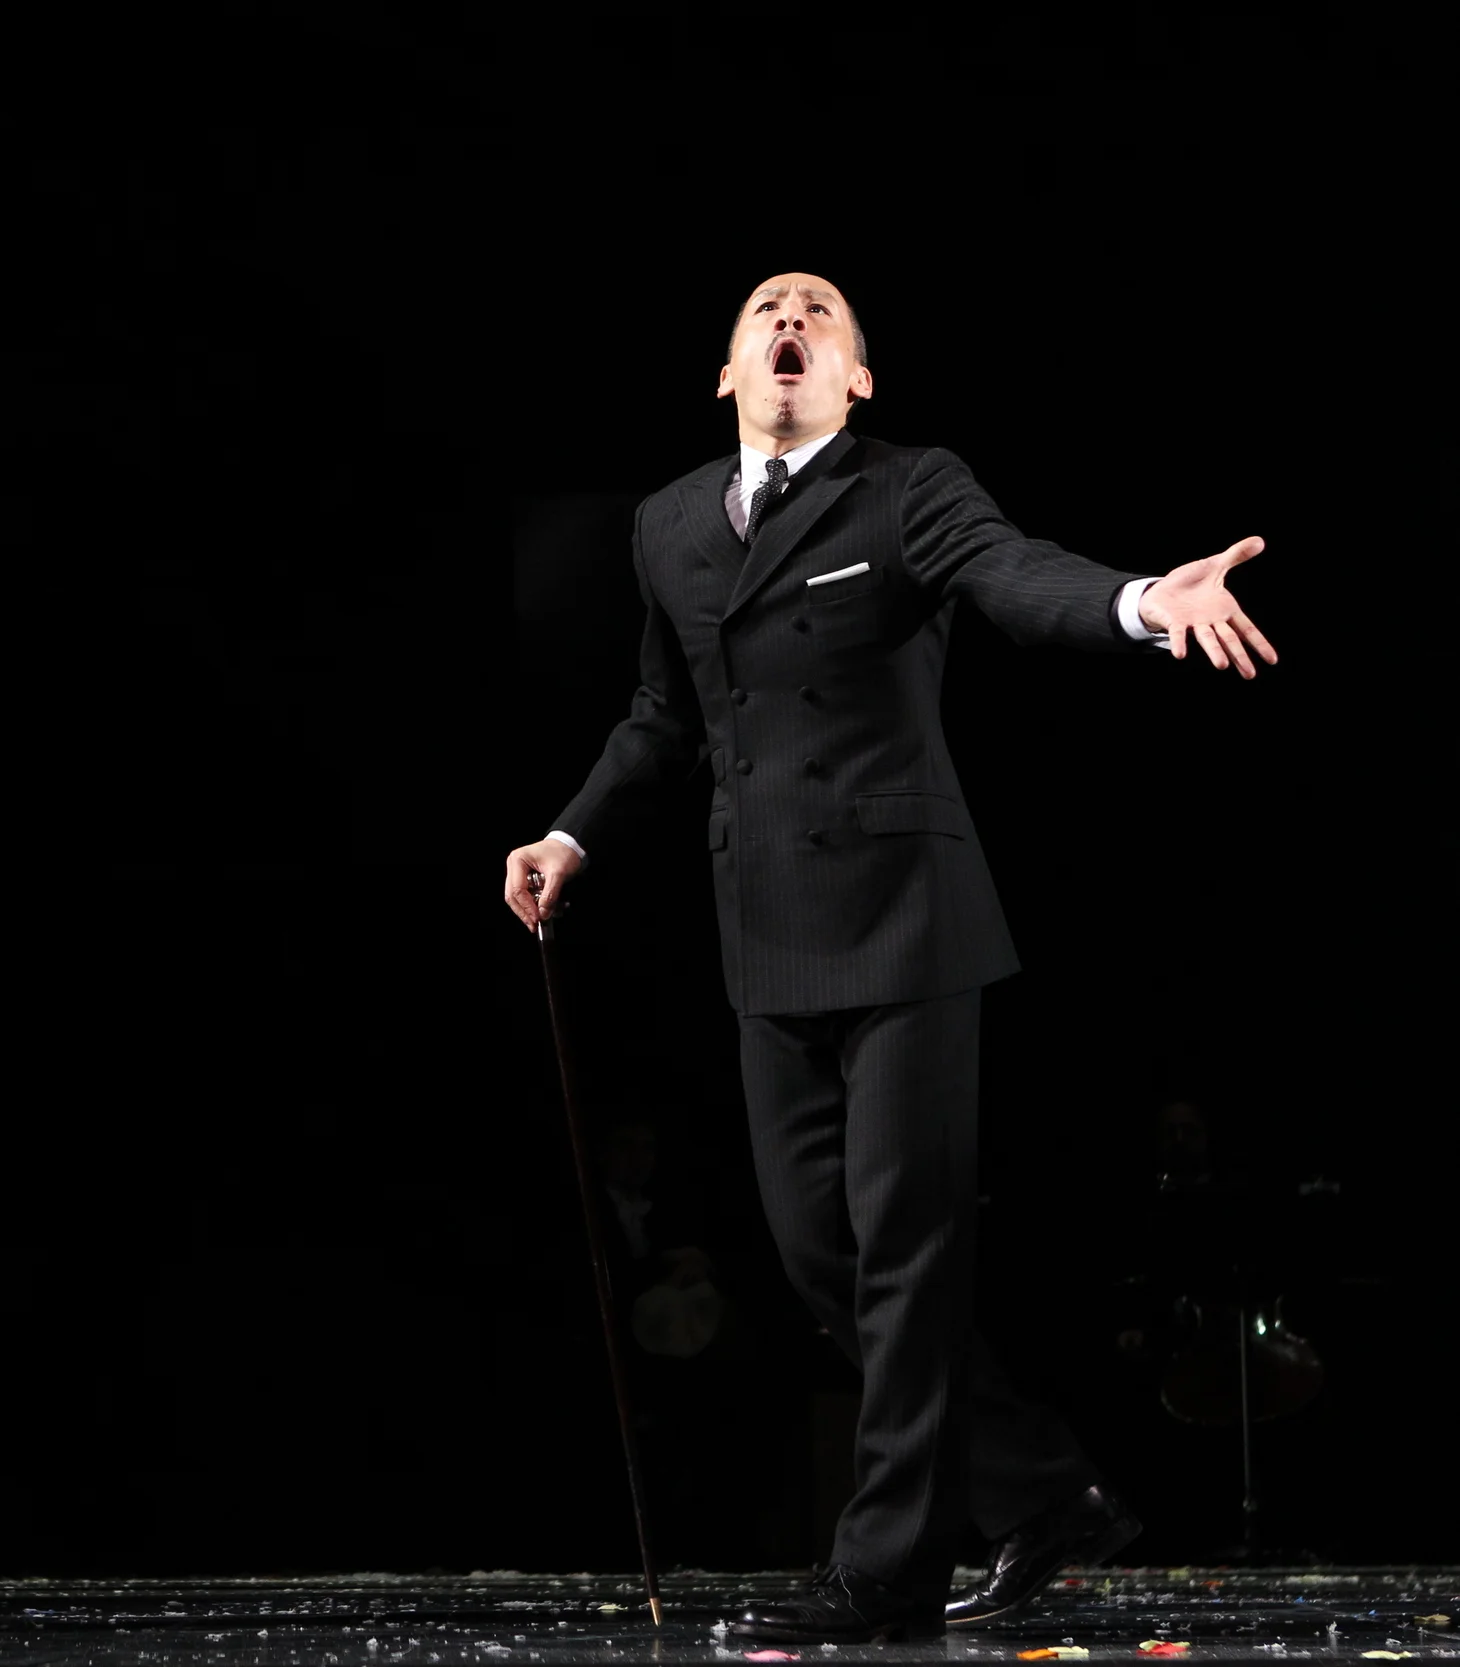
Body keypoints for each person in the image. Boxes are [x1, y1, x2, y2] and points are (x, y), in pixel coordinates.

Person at [501, 273, 1277, 1645]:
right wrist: (573, 833)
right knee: (822, 1261)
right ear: (728, 368)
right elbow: (658, 713)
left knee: (906, 1253)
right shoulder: (668, 523)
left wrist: (1146, 601)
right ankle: (1047, 1490)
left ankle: (886, 1565)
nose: (791, 319)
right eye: (765, 309)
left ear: (856, 375)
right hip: (765, 927)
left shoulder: (910, 487)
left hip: (910, 916)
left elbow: (1019, 574)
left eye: (821, 312)